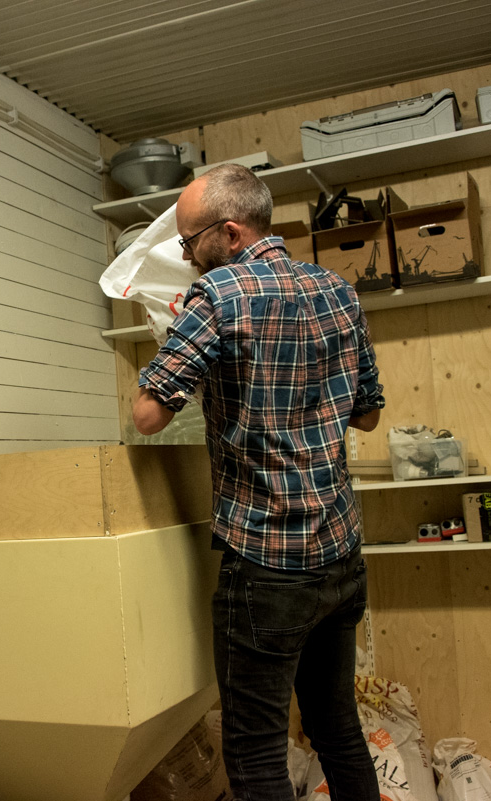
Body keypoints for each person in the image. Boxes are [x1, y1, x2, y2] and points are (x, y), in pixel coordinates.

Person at [132, 164, 385, 801]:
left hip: (267, 564)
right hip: (340, 556)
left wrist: (181, 339)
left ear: (230, 232)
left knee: (255, 750)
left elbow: (148, 415)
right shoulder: (337, 290)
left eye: (190, 242)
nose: (185, 257)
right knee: (337, 729)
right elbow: (368, 414)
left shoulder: (218, 296)